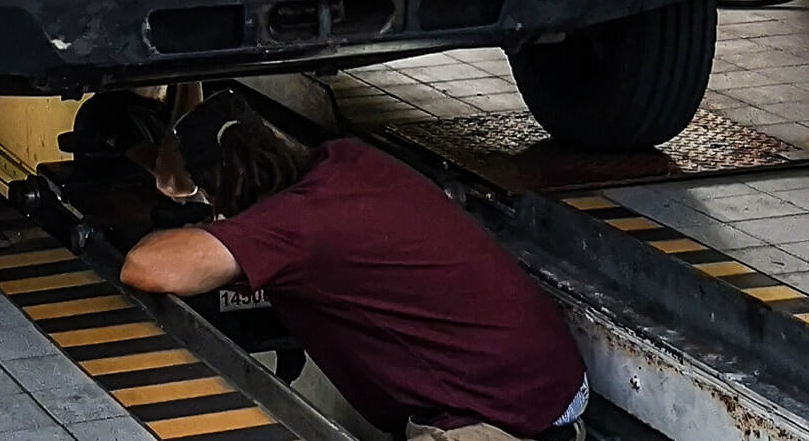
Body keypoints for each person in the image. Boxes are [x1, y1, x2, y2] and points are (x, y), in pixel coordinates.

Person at [119, 89, 589, 441]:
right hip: (548, 387)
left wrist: (199, 219)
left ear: (223, 189)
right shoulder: (347, 161)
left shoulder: (293, 227)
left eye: (207, 199)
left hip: (503, 419)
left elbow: (146, 267)